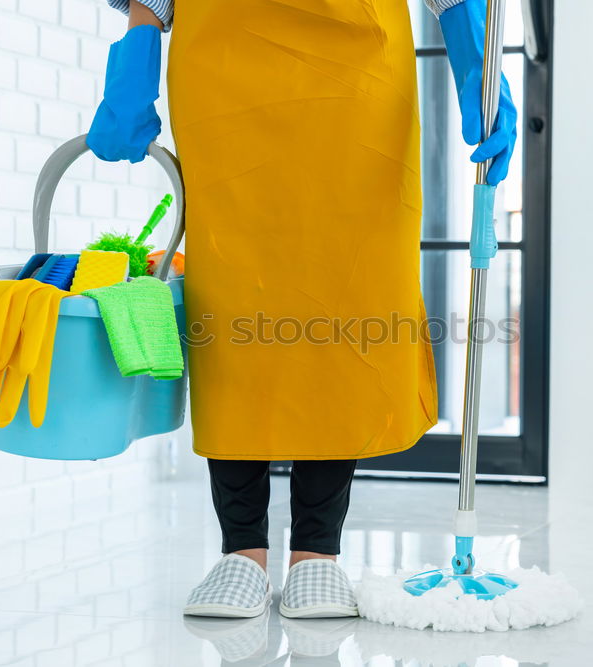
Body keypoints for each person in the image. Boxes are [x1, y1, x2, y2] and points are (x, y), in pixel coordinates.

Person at [88, 0, 516, 619]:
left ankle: (318, 552)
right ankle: (242, 552)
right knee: (234, 295)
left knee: (344, 293)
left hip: (358, 65)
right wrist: (139, 47)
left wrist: (476, 56)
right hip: (224, 65)